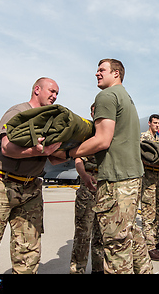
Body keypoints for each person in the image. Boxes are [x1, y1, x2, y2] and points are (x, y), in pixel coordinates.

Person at [0, 77, 63, 274]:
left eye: (57, 93)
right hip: (0, 185)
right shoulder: (18, 112)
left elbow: (55, 158)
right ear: (37, 89)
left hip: (31, 188)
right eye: (51, 91)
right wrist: (40, 151)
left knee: (28, 254)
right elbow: (7, 148)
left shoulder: (50, 121)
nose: (54, 96)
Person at [66, 59, 151, 274]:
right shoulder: (127, 98)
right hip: (132, 178)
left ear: (116, 73)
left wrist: (69, 153)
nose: (96, 73)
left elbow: (102, 140)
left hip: (116, 180)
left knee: (115, 247)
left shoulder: (106, 96)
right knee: (130, 235)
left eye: (101, 70)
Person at [69, 104, 103, 274]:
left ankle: (98, 269)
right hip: (88, 187)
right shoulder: (86, 133)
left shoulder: (108, 132)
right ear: (91, 112)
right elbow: (77, 159)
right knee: (83, 234)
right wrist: (84, 176)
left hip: (104, 189)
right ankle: (78, 270)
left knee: (101, 235)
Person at [140, 114, 159, 261]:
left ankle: (156, 239)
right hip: (148, 180)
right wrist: (156, 164)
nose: (157, 125)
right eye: (155, 123)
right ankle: (149, 246)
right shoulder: (143, 138)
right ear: (149, 123)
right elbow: (140, 158)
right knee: (148, 213)